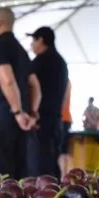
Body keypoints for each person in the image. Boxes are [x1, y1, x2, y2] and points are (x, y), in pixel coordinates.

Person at [0, 8, 41, 180]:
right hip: (19, 120)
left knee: (0, 175)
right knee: (19, 170)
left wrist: (18, 111)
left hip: (3, 119)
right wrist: (32, 112)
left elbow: (7, 79)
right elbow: (35, 85)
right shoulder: (20, 50)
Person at [26, 26, 68, 178]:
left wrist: (31, 114)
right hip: (55, 121)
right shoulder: (61, 62)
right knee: (51, 165)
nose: (31, 45)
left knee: (39, 169)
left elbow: (32, 90)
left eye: (33, 41)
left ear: (41, 40)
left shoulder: (40, 62)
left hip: (40, 121)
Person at [59, 82, 73, 178]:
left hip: (61, 119)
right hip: (65, 118)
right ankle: (63, 175)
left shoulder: (64, 81)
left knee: (61, 150)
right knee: (62, 150)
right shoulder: (67, 81)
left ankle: (63, 175)